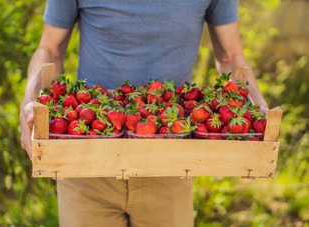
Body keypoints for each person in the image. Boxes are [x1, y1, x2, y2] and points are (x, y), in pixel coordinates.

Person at [20, 0, 269, 226]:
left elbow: (230, 54)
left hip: (171, 161)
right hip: (88, 160)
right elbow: (50, 49)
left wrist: (257, 107)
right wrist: (30, 100)